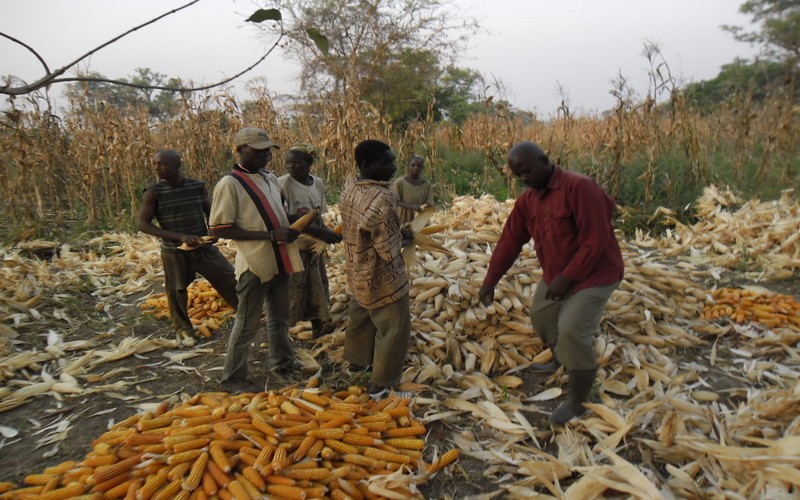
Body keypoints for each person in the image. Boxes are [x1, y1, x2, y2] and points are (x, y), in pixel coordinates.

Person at [478, 141, 624, 425]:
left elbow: (595, 241)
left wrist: (568, 278)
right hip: (557, 274)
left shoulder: (579, 188)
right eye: (519, 175)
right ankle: (561, 359)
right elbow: (510, 241)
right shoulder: (528, 200)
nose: (525, 179)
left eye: (528, 171)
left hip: (596, 273)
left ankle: (580, 398)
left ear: (546, 161)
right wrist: (490, 280)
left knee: (570, 330)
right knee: (542, 318)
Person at [209, 127, 304, 386]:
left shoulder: (270, 178)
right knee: (247, 323)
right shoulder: (230, 184)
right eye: (258, 151)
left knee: (279, 317)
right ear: (239, 150)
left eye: (268, 151)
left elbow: (280, 214)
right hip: (256, 263)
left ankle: (282, 362)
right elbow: (219, 228)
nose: (265, 156)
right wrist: (271, 236)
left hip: (281, 258)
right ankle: (232, 378)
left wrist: (299, 220)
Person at [137, 149, 239, 344]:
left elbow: (211, 211)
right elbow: (143, 224)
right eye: (155, 164)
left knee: (229, 279)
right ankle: (184, 331)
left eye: (162, 164)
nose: (157, 168)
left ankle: (245, 315)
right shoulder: (153, 193)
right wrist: (180, 237)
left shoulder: (196, 186)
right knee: (177, 292)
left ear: (177, 166)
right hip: (175, 252)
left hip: (203, 247)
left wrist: (213, 230)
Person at [340, 140, 412, 398]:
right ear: (367, 165)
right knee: (393, 326)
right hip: (381, 275)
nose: (393, 167)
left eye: (393, 161)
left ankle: (357, 364)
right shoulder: (383, 197)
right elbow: (387, 248)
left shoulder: (350, 188)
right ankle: (382, 383)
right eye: (387, 162)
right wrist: (405, 239)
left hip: (356, 267)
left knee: (360, 315)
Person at [278, 143, 342, 339]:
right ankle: (282, 330)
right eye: (288, 162)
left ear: (309, 163)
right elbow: (281, 217)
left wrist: (329, 234)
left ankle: (319, 325)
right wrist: (317, 232)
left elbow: (318, 215)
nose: (291, 166)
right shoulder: (283, 183)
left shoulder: (318, 184)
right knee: (295, 289)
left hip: (313, 246)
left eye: (297, 162)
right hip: (294, 246)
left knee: (317, 285)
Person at [391, 155, 435, 225]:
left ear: (422, 168)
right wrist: (412, 207)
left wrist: (424, 206)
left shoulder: (427, 184)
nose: (416, 168)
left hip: (420, 218)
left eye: (419, 166)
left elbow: (430, 202)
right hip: (403, 217)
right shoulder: (400, 182)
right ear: (408, 167)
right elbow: (395, 200)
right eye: (413, 165)